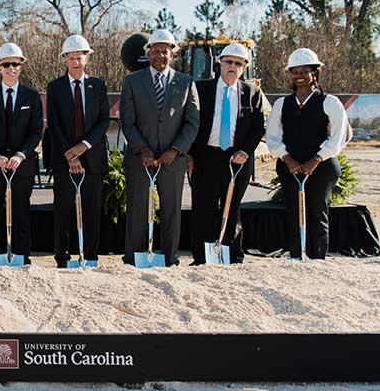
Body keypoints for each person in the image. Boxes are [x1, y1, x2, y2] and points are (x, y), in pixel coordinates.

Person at [119, 29, 199, 266]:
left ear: (172, 53)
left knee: (171, 211)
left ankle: (169, 257)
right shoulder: (132, 81)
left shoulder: (186, 83)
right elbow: (127, 121)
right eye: (156, 51)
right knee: (138, 210)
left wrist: (175, 150)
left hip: (172, 160)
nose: (160, 56)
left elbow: (192, 122)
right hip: (140, 158)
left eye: (165, 51)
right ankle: (134, 258)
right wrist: (142, 149)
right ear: (148, 53)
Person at [265, 48, 349, 260]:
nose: (299, 75)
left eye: (305, 70)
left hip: (322, 166)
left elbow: (338, 137)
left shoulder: (330, 102)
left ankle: (317, 258)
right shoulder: (282, 104)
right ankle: (296, 255)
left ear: (315, 73)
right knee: (294, 211)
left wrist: (316, 160)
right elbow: (273, 137)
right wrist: (288, 160)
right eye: (295, 71)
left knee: (317, 210)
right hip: (289, 165)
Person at [188, 43, 266, 264]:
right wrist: (190, 155)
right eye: (228, 62)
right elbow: (191, 124)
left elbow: (258, 128)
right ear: (219, 63)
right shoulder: (200, 89)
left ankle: (231, 255)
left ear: (244, 67)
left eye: (238, 63)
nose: (232, 66)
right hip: (206, 157)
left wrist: (245, 151)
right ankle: (202, 258)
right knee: (203, 209)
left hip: (237, 160)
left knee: (232, 210)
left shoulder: (252, 93)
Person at [45, 35, 110, 267]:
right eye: (71, 58)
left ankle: (90, 256)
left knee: (92, 210)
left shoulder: (98, 86)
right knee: (63, 210)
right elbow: (54, 124)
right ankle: (62, 257)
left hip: (92, 158)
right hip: (64, 159)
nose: (75, 61)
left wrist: (84, 146)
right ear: (65, 59)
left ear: (87, 58)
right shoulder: (54, 88)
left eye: (79, 57)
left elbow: (103, 121)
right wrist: (70, 154)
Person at [0, 42, 43, 265]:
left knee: (21, 212)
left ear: (21, 66)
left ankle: (22, 258)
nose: (11, 68)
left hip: (21, 166)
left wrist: (20, 155)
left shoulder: (32, 97)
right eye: (6, 64)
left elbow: (35, 132)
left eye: (15, 64)